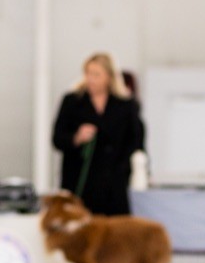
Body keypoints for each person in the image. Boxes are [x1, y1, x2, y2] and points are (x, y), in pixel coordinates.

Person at [52, 52, 143, 216]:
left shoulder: (126, 105)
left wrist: (125, 168)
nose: (90, 79)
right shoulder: (71, 101)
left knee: (115, 233)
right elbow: (57, 139)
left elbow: (136, 140)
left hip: (114, 185)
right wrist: (77, 137)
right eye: (87, 73)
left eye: (96, 75)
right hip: (80, 182)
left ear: (109, 77)